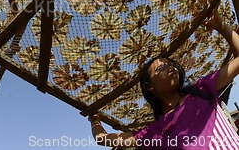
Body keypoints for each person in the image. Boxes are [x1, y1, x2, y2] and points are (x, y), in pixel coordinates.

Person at [88, 10, 239, 149]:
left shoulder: (200, 89)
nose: (171, 68)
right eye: (161, 68)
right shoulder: (153, 132)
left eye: (172, 65)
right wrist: (94, 120)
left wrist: (222, 27)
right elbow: (103, 139)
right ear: (149, 86)